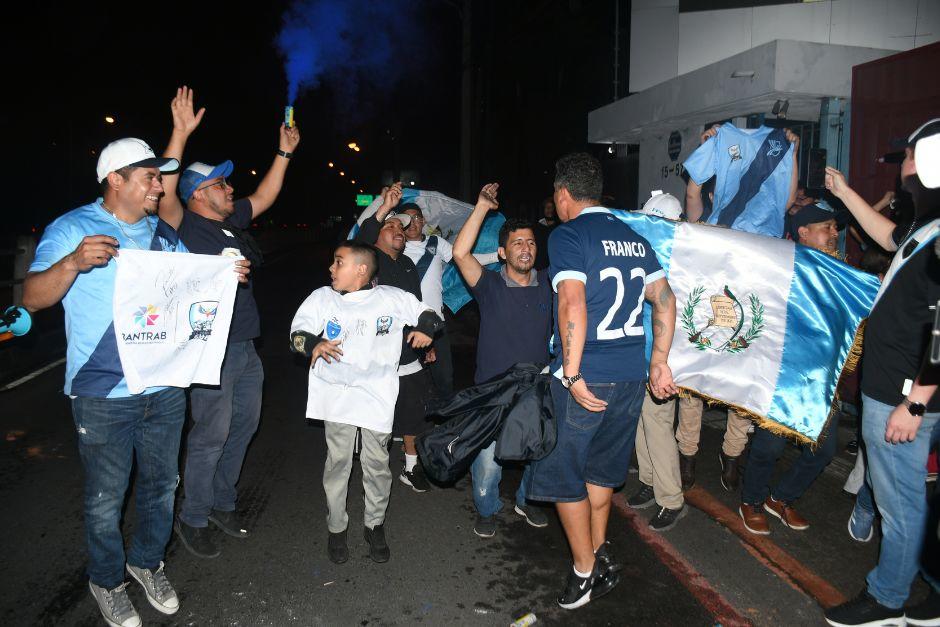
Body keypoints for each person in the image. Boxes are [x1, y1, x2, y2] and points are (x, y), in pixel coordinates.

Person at [22, 137, 244, 627]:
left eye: (161, 178)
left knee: (163, 487)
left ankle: (146, 564)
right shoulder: (72, 228)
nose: (160, 187)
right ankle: (106, 580)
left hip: (164, 388)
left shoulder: (161, 235)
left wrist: (226, 273)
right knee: (106, 498)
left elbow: (190, 282)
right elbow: (34, 298)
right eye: (151, 177)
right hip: (103, 391)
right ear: (116, 179)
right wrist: (73, 263)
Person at [527, 153, 679, 610]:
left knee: (562, 478)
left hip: (586, 378)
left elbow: (572, 303)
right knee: (600, 475)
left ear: (563, 194)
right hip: (631, 379)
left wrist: (571, 374)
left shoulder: (569, 235)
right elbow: (665, 300)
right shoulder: (635, 239)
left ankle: (584, 569)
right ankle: (598, 551)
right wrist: (659, 362)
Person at [158, 87, 301, 558]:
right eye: (220, 184)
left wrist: (283, 151)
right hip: (209, 350)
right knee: (211, 434)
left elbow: (266, 194)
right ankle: (193, 516)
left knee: (245, 424)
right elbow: (164, 192)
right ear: (198, 193)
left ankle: (222, 499)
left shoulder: (230, 222)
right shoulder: (183, 222)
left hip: (244, 346)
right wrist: (179, 135)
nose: (230, 189)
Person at [823, 118, 940, 627]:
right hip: (894, 389)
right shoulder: (928, 226)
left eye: (910, 158)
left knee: (902, 504)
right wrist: (846, 193)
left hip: (903, 396)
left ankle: (888, 599)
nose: (902, 170)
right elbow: (890, 237)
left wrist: (916, 403)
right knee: (909, 501)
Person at [290, 242, 442, 564]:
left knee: (377, 466)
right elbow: (297, 333)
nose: (331, 268)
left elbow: (427, 314)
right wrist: (313, 343)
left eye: (338, 262)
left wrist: (427, 328)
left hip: (376, 397)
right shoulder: (323, 298)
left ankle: (374, 525)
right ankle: (336, 528)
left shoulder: (389, 298)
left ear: (361, 269)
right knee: (338, 464)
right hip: (337, 395)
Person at [451, 183, 553, 537]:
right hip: (492, 390)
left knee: (540, 451)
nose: (525, 250)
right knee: (488, 459)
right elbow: (460, 253)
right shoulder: (490, 285)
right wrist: (481, 207)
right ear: (502, 251)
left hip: (537, 386)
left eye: (530, 243)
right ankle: (487, 507)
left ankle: (528, 501)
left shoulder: (550, 283)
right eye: (517, 243)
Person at [737, 203, 844, 536]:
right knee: (769, 447)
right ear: (804, 232)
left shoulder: (842, 272)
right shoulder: (781, 265)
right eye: (827, 227)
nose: (835, 233)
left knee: (824, 450)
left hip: (821, 379)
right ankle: (751, 500)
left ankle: (781, 497)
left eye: (835, 227)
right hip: (781, 375)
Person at [355, 183, 436, 492]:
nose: (399, 230)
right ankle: (370, 468)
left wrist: (427, 339)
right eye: (390, 226)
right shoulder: (368, 260)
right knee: (378, 417)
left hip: (407, 352)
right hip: (375, 355)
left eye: (401, 227)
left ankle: (411, 467)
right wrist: (383, 208)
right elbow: (361, 238)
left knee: (415, 413)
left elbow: (416, 306)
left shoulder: (407, 264)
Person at [626, 190, 688, 531]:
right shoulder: (653, 250)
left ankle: (671, 499)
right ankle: (650, 481)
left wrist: (660, 360)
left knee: (659, 424)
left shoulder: (677, 256)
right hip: (640, 350)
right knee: (642, 421)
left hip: (662, 357)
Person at [684, 123, 799, 237]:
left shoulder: (708, 222)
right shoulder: (704, 218)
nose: (732, 192)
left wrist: (792, 155)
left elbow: (692, 193)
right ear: (711, 196)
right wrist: (709, 149)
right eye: (723, 187)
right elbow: (789, 200)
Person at [534, 196, 558, 270]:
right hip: (539, 268)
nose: (548, 210)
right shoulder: (536, 227)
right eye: (546, 207)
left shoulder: (560, 228)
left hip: (555, 267)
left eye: (551, 207)